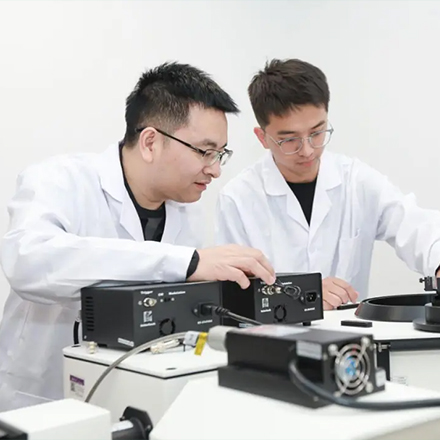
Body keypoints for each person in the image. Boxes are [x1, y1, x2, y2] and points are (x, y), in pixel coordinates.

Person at [0, 62, 276, 411]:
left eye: (220, 154)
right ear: (150, 142)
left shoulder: (186, 211)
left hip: (134, 391)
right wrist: (186, 262)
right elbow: (29, 262)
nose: (216, 169)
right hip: (41, 398)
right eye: (205, 152)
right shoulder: (59, 181)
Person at [216, 58, 440, 310]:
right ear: (262, 137)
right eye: (289, 139)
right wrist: (303, 296)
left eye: (316, 132)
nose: (307, 150)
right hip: (271, 333)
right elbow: (233, 293)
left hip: (348, 332)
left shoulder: (356, 181)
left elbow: (415, 226)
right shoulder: (238, 198)